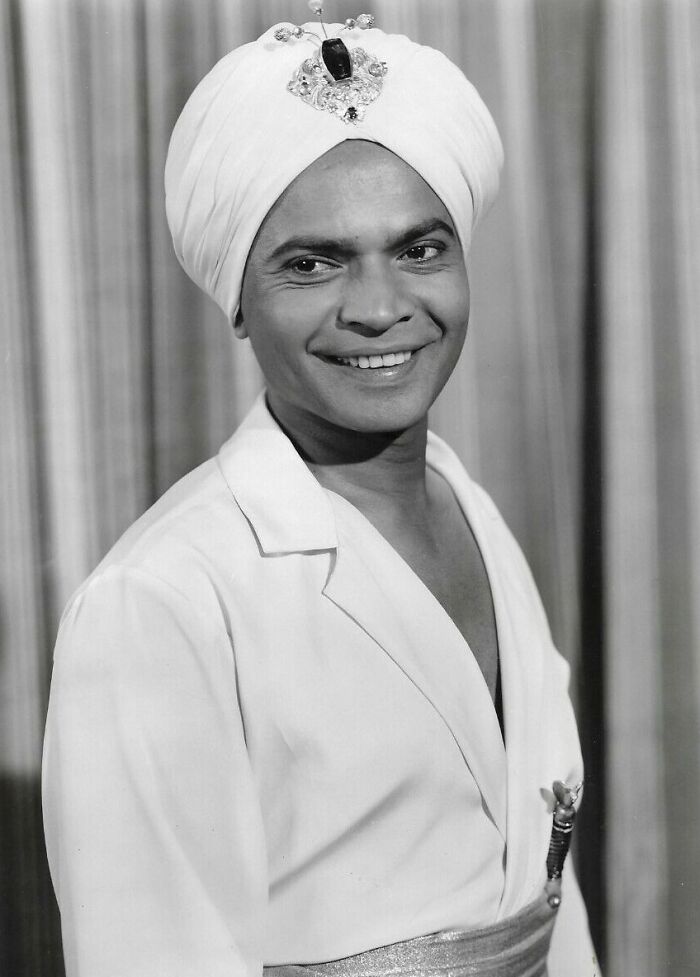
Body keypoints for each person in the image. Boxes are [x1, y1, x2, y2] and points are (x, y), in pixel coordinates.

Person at [42, 8, 600, 977]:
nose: (381, 306)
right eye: (313, 262)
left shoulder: (475, 513)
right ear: (238, 301)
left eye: (421, 249)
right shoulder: (162, 605)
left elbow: (552, 906)